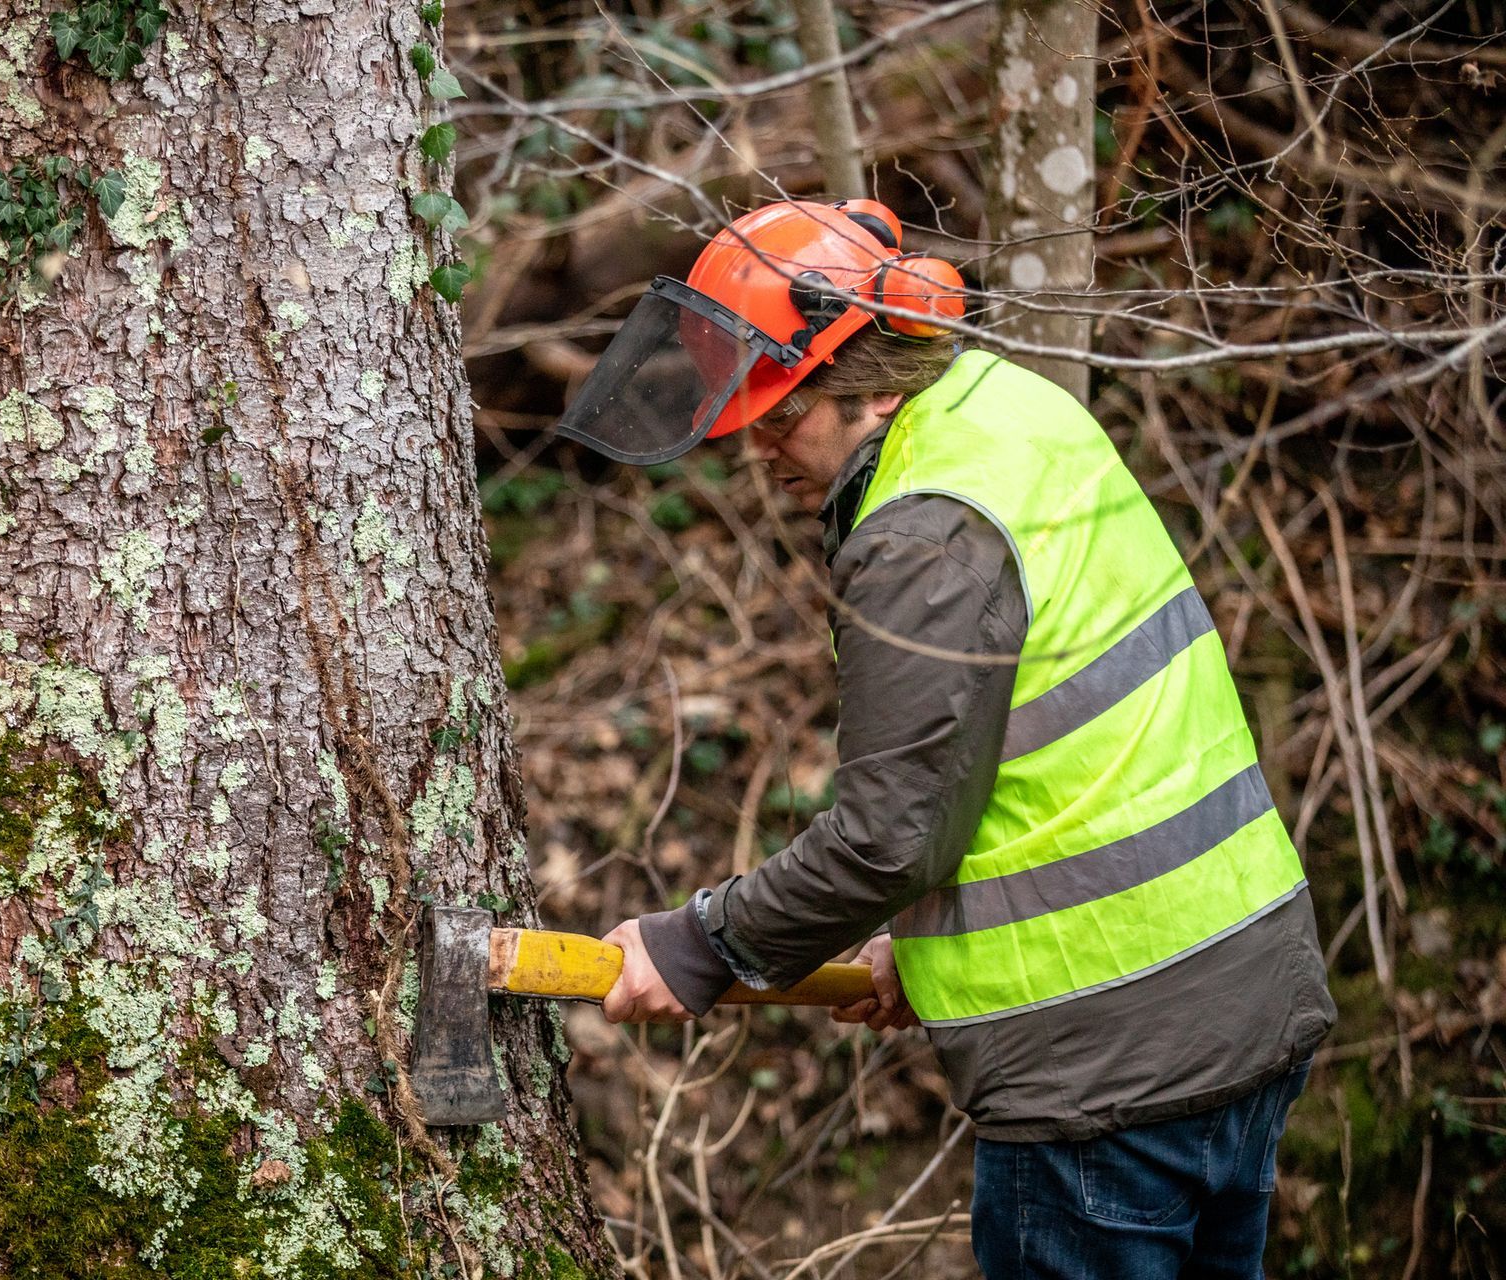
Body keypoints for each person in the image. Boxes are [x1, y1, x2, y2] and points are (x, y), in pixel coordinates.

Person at [551, 198, 1337, 1280]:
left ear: (871, 385)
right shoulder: (1013, 410)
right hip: (1241, 989)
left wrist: (696, 945)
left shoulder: (924, 532)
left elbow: (891, 837)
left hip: (1102, 1074)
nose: (761, 456)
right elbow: (1048, 759)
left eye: (780, 419)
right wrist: (925, 942)